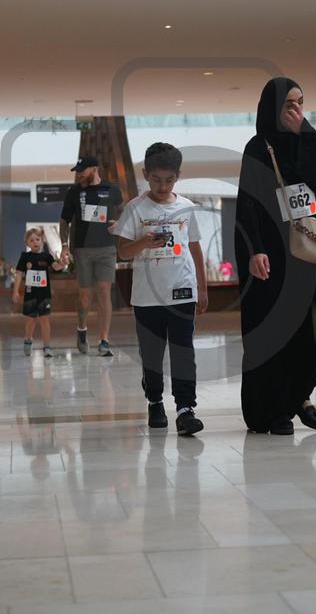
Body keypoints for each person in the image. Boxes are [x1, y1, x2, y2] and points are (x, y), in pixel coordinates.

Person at [235, 77, 316, 435]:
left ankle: (300, 394)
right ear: (273, 108)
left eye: (300, 103)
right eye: (289, 104)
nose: (296, 109)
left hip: (311, 244)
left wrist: (306, 134)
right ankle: (278, 407)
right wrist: (255, 249)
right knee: (280, 329)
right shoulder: (257, 147)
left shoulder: (308, 140)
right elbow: (247, 202)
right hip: (275, 251)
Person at [115, 143, 208, 436]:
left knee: (183, 350)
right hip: (147, 296)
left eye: (169, 180)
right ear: (145, 174)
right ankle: (154, 400)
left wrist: (202, 287)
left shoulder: (186, 207)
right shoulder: (135, 208)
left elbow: (195, 247)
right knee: (152, 354)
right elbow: (123, 252)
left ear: (178, 176)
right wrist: (143, 242)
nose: (163, 186)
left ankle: (185, 409)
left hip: (182, 289)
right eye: (156, 180)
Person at [60, 156, 123, 357]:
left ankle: (104, 340)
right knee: (85, 296)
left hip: (107, 248)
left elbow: (122, 211)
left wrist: (119, 223)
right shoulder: (74, 192)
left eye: (82, 171)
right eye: (77, 171)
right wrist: (64, 246)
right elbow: (64, 220)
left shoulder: (112, 189)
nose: (79, 174)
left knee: (104, 291)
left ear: (94, 169)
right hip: (82, 250)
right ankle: (82, 328)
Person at [12, 226, 66, 358]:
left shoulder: (47, 257)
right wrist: (15, 291)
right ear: (27, 243)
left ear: (42, 240)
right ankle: (28, 339)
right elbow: (19, 274)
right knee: (31, 320)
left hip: (44, 295)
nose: (35, 242)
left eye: (37, 239)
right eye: (31, 240)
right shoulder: (25, 257)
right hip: (30, 294)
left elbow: (56, 267)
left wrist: (62, 263)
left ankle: (47, 347)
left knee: (44, 320)